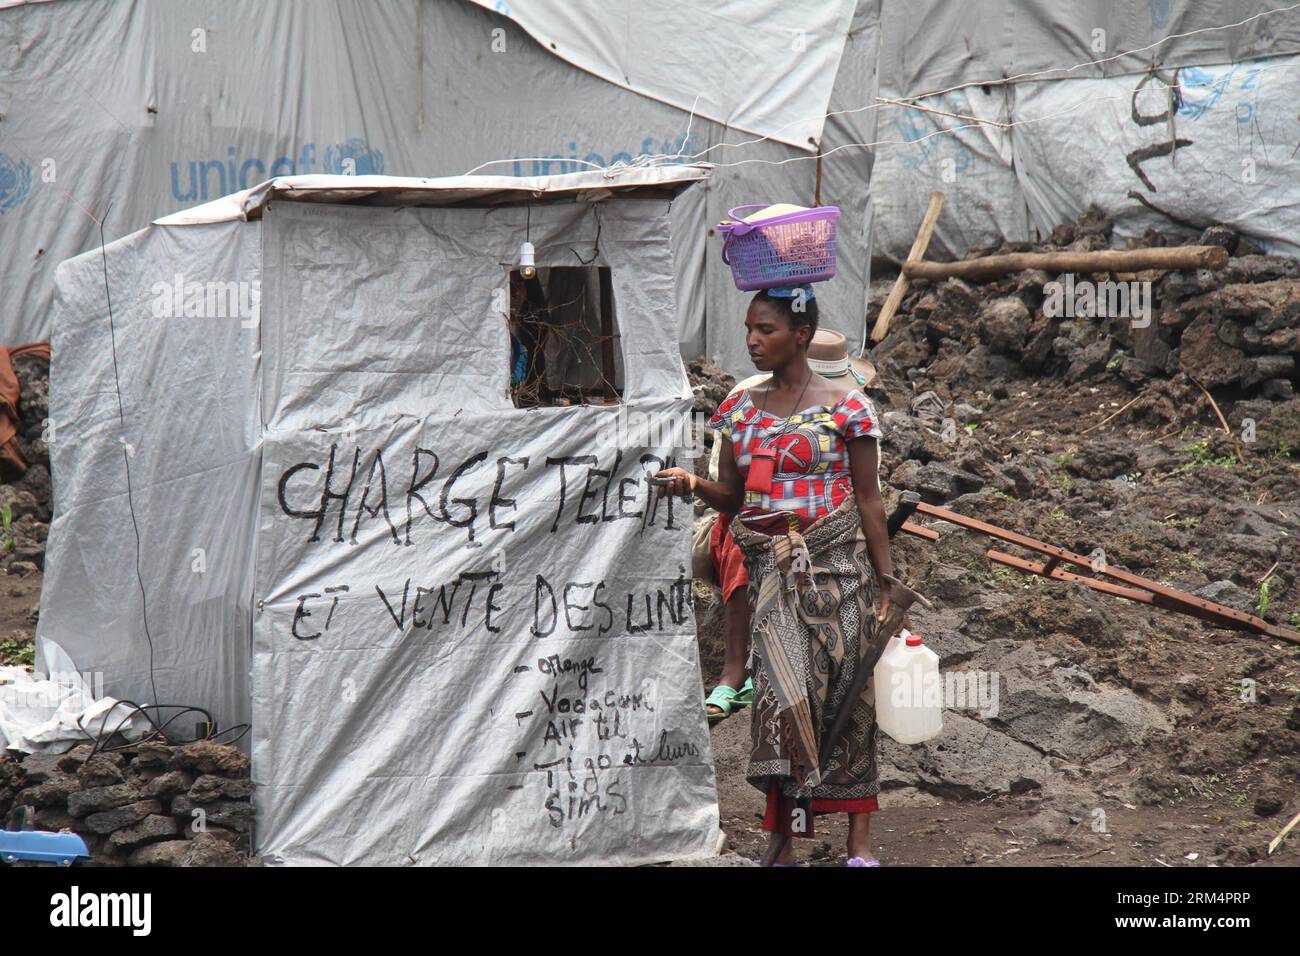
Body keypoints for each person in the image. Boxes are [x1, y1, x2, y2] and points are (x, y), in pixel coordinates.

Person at [656, 284, 894, 867]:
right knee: (781, 703)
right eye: (749, 329)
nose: (752, 341)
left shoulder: (848, 406)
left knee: (849, 699)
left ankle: (858, 845)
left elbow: (869, 499)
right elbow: (735, 498)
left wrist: (886, 580)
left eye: (766, 330)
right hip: (772, 576)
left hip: (840, 571)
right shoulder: (739, 410)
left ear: (802, 336)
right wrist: (694, 486)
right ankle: (783, 839)